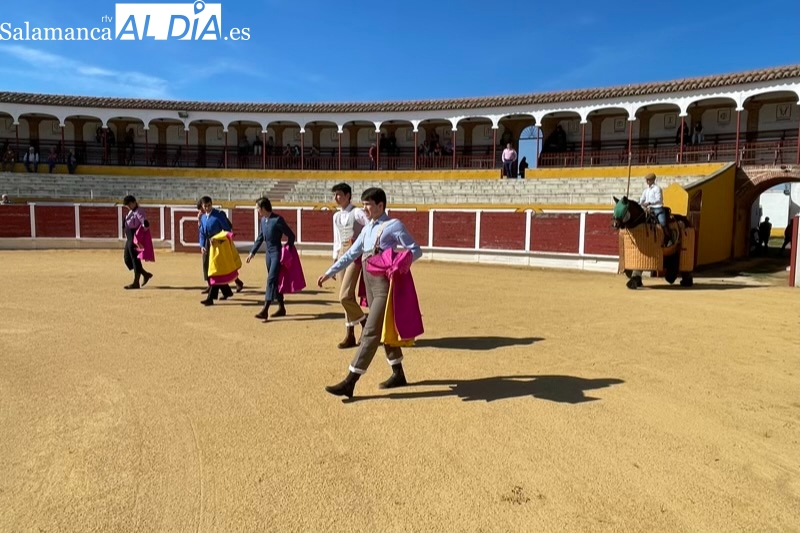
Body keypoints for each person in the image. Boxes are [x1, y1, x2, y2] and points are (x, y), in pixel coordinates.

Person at [317, 187, 423, 399]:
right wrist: (330, 272)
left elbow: (415, 249)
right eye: (364, 204)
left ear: (380, 206)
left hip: (384, 287)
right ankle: (398, 373)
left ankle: (350, 381)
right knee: (383, 330)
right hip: (370, 285)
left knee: (371, 332)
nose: (364, 208)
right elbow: (351, 254)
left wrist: (400, 263)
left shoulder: (394, 226)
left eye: (369, 204)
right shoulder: (367, 229)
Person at [330, 182, 370, 348]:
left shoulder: (358, 212)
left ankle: (365, 323)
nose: (336, 198)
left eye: (339, 194)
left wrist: (362, 244)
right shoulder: (336, 216)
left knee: (345, 296)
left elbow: (371, 227)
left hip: (355, 254)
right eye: (335, 194)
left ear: (348, 196)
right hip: (341, 254)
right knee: (347, 297)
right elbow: (337, 239)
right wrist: (334, 260)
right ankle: (350, 335)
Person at [246, 197, 295, 321]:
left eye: (258, 208)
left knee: (270, 280)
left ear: (263, 208)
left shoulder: (277, 220)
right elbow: (260, 237)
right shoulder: (263, 220)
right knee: (275, 281)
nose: (257, 210)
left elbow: (291, 235)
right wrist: (252, 252)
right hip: (268, 255)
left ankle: (265, 309)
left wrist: (287, 249)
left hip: (277, 254)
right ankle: (282, 308)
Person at [197, 199, 243, 296]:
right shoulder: (203, 217)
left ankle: (220, 289)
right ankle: (212, 285)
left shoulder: (218, 215)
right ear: (202, 206)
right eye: (205, 206)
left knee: (221, 266)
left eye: (209, 205)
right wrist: (201, 245)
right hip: (207, 243)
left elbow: (227, 230)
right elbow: (201, 233)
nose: (207, 208)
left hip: (219, 244)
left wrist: (217, 239)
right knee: (207, 264)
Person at [121, 195, 153, 289]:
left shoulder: (139, 211)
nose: (128, 206)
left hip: (134, 237)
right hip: (129, 237)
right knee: (127, 259)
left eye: (129, 204)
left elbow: (144, 223)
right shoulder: (131, 211)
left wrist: (145, 224)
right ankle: (145, 274)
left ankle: (136, 282)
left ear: (134, 202)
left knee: (135, 259)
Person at [639, 173, 670, 245]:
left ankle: (667, 236)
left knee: (662, 222)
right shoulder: (646, 190)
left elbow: (659, 200)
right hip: (648, 209)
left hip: (657, 208)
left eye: (649, 180)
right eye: (647, 180)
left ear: (653, 180)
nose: (647, 181)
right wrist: (638, 203)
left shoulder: (657, 188)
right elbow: (641, 200)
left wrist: (649, 203)